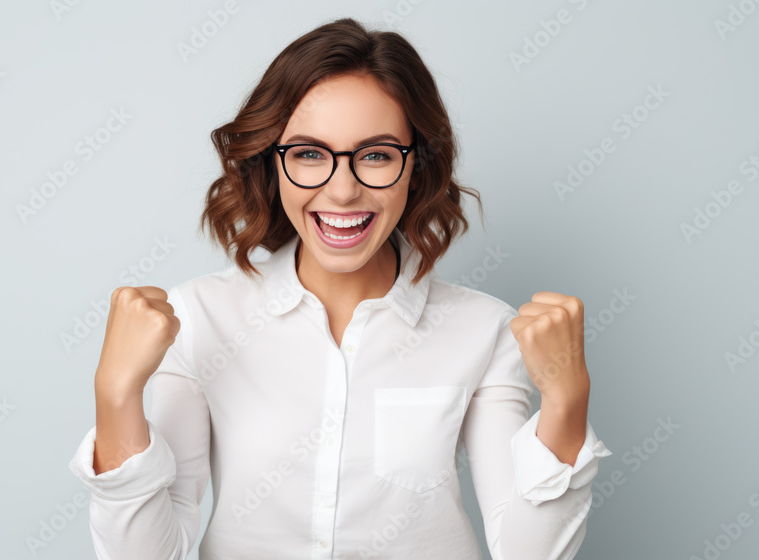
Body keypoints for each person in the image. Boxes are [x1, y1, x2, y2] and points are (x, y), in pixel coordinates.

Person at [68, 17, 612, 560]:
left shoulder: (485, 332)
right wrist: (115, 394)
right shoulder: (198, 320)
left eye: (375, 155)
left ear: (416, 169)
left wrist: (567, 400)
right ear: (271, 163)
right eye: (309, 153)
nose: (344, 190)